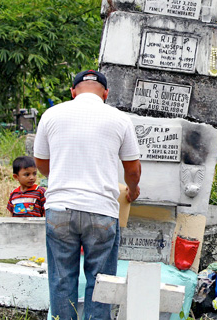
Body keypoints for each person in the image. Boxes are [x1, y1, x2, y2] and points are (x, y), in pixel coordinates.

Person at [33, 69, 141, 320]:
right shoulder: (119, 118)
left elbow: (40, 160)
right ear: (106, 93)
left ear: (73, 92)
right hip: (101, 210)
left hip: (59, 209)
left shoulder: (52, 115)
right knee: (101, 283)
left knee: (62, 280)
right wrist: (132, 189)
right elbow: (132, 168)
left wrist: (58, 177)